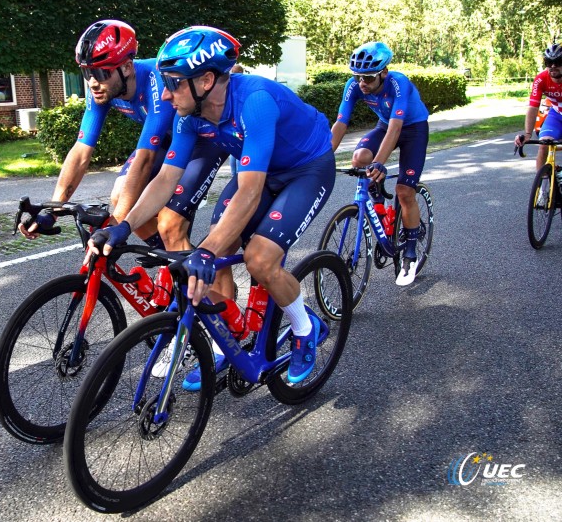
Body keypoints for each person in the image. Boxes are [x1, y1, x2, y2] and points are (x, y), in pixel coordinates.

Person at [88, 26, 336, 387]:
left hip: (306, 169)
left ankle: (304, 326)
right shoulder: (189, 117)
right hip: (260, 171)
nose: (167, 93)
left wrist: (204, 250)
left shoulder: (255, 101)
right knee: (220, 250)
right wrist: (123, 225)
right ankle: (228, 339)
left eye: (173, 82)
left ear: (205, 80)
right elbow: (164, 180)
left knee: (259, 259)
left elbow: (249, 193)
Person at [20, 20, 226, 253]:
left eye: (100, 72)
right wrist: (53, 210)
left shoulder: (156, 83)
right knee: (120, 199)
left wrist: (116, 226)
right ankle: (172, 258)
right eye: (87, 72)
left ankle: (199, 274)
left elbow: (145, 159)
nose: (93, 82)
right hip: (170, 140)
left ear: (127, 67)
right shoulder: (102, 89)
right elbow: (80, 153)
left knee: (170, 224)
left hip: (203, 142)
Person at [330, 41, 430, 287]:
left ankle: (409, 251)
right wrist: (322, 159)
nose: (362, 83)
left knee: (404, 191)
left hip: (413, 129)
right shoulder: (354, 86)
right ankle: (378, 203)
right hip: (385, 126)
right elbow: (340, 124)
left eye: (369, 78)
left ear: (384, 73)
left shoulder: (398, 83)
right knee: (359, 158)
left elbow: (397, 128)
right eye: (357, 77)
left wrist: (380, 163)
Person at [514, 43, 562, 206]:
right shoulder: (541, 78)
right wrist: (527, 134)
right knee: (544, 143)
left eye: (558, 62)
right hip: (556, 114)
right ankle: (543, 190)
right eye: (549, 63)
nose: (553, 66)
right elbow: (533, 107)